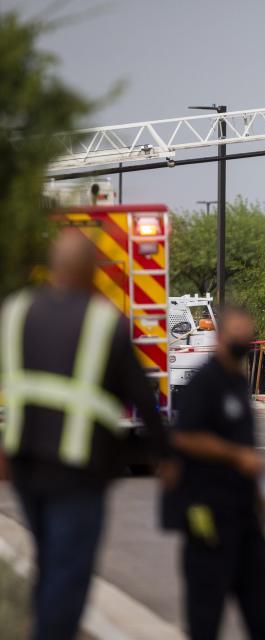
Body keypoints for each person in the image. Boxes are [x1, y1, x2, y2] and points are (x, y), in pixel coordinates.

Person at [0, 228, 166, 640]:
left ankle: (38, 624)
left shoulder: (15, 311)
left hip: (24, 464)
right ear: (92, 272)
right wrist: (164, 454)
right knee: (69, 572)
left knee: (51, 563)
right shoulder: (103, 322)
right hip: (77, 468)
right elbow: (143, 399)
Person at [164, 304, 265, 640]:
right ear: (220, 337)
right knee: (206, 615)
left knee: (263, 610)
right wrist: (235, 456)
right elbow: (184, 436)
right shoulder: (205, 383)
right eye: (237, 335)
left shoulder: (238, 384)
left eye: (248, 334)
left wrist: (261, 494)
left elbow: (247, 446)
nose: (243, 341)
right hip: (207, 514)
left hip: (244, 514)